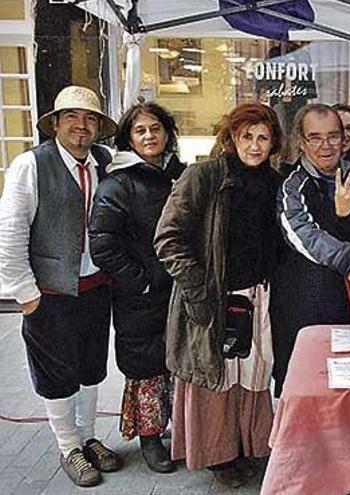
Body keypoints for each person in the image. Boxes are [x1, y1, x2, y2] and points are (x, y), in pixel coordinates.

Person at [154, 102, 283, 487]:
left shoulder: (275, 183)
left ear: (274, 142)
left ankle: (246, 444)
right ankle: (218, 456)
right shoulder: (204, 176)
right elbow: (167, 238)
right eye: (247, 137)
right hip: (214, 297)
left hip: (258, 295)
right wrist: (199, 290)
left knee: (252, 373)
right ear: (231, 137)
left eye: (263, 137)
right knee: (216, 378)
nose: (255, 146)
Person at [0, 86, 122, 487]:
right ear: (55, 123)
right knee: (57, 373)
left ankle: (88, 436)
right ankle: (69, 445)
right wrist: (26, 294)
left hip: (95, 285)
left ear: (98, 128)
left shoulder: (105, 161)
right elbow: (10, 233)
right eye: (71, 117)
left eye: (89, 119)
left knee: (91, 368)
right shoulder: (30, 165)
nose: (81, 126)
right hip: (48, 292)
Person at [88, 102, 185, 474]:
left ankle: (182, 431)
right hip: (140, 295)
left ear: (167, 132)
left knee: (179, 361)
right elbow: (102, 244)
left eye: (155, 128)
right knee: (146, 367)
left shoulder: (182, 174)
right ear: (129, 137)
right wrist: (141, 282)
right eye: (140, 130)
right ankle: (150, 439)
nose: (149, 136)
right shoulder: (118, 182)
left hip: (180, 290)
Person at [273, 103, 350, 397]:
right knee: (305, 387)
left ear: (344, 138)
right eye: (315, 137)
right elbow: (302, 233)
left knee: (348, 386)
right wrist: (345, 255)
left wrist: (347, 217)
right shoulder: (292, 185)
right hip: (305, 305)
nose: (325, 145)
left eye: (332, 136)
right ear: (302, 143)